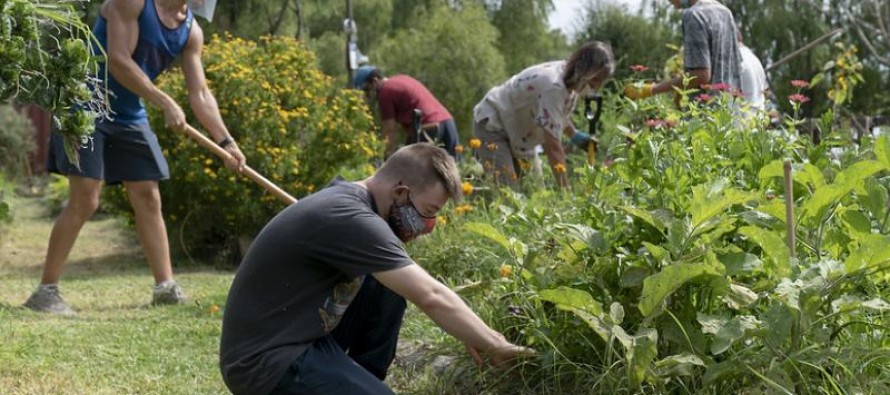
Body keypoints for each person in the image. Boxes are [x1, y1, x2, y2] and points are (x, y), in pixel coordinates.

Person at [219, 144, 531, 395]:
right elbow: (431, 295)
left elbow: (415, 283)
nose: (428, 227)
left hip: (305, 339)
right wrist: (495, 344)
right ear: (400, 191)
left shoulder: (356, 204)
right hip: (265, 363)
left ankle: (360, 381)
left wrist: (468, 329)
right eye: (428, 212)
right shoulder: (350, 217)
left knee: (387, 283)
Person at [23, 0, 246, 314]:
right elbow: (118, 61)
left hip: (129, 114)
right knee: (86, 198)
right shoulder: (134, 2)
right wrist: (164, 101)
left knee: (148, 196)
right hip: (85, 104)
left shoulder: (191, 31)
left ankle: (165, 288)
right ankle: (46, 292)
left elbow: (201, 94)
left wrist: (227, 141)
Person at [472, 41, 615, 188]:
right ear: (584, 70)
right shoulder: (554, 86)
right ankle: (468, 198)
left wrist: (574, 134)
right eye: (596, 79)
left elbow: (554, 114)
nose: (597, 86)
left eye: (601, 81)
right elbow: (552, 146)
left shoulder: (573, 80)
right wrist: (566, 191)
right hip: (495, 125)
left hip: (519, 133)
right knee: (507, 195)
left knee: (535, 192)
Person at [625, 0, 741, 100]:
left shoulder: (694, 15)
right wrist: (681, 90)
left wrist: (652, 89)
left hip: (706, 116)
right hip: (730, 113)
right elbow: (734, 66)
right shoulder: (725, 13)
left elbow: (701, 75)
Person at [352, 66, 459, 158]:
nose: (368, 94)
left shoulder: (385, 93)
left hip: (429, 129)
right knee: (454, 171)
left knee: (413, 174)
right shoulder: (401, 78)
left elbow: (389, 131)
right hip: (447, 122)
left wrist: (383, 157)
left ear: (375, 81)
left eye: (367, 89)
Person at [736, 27, 772, 119]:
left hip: (741, 120)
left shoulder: (735, 58)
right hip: (757, 119)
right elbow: (766, 91)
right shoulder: (754, 58)